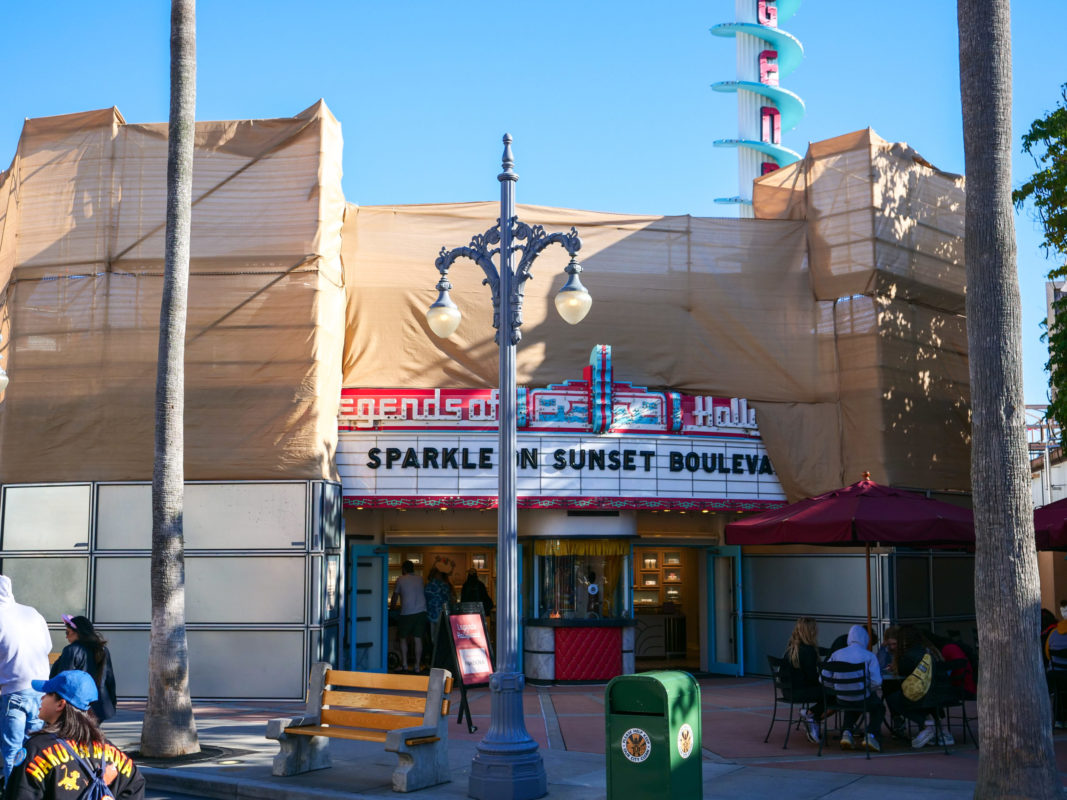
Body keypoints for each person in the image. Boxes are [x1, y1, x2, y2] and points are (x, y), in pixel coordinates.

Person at [3, 670, 144, 800]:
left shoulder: (38, 749)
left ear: (60, 704)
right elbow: (136, 784)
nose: (42, 697)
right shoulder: (108, 748)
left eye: (47, 694)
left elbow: (21, 794)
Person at [0, 576, 52, 782]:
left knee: (12, 748)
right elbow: (47, 647)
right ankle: (37, 789)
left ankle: (14, 792)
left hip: (13, 689)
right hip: (40, 690)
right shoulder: (32, 613)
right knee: (36, 747)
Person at [884, 625, 950, 748]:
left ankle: (926, 724)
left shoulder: (909, 655)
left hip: (924, 696)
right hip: (944, 694)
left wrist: (895, 666)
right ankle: (942, 729)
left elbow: (902, 673)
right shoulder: (931, 650)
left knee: (893, 697)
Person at [823, 625, 884, 752]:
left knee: (852, 702)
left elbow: (823, 678)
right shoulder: (869, 656)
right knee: (878, 707)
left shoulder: (836, 654)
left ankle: (847, 732)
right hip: (861, 696)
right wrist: (868, 689)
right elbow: (877, 682)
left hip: (841, 698)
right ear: (865, 639)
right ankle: (871, 735)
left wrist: (835, 688)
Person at [50, 617, 116, 723]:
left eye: (67, 632)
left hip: (77, 706)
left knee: (74, 737)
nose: (66, 636)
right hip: (99, 705)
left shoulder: (71, 650)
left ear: (78, 632)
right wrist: (112, 702)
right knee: (89, 736)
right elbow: (109, 679)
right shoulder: (102, 649)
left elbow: (64, 681)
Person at [781, 617, 823, 744]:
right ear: (811, 631)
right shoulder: (809, 651)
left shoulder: (791, 649)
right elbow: (811, 678)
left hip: (788, 691)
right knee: (833, 693)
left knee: (827, 692)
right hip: (802, 691)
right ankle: (811, 715)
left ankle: (811, 717)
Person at [390, 561, 427, 673]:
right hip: (421, 612)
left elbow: (395, 596)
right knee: (418, 639)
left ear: (404, 569)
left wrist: (392, 609)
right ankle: (416, 666)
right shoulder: (420, 579)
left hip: (406, 612)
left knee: (403, 638)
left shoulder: (400, 579)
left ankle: (405, 664)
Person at [423, 569, 454, 651]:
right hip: (444, 614)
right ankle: (442, 656)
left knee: (433, 637)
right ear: (438, 575)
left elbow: (425, 600)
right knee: (444, 637)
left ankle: (434, 656)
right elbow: (449, 600)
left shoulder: (428, 586)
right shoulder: (445, 586)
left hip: (431, 616)